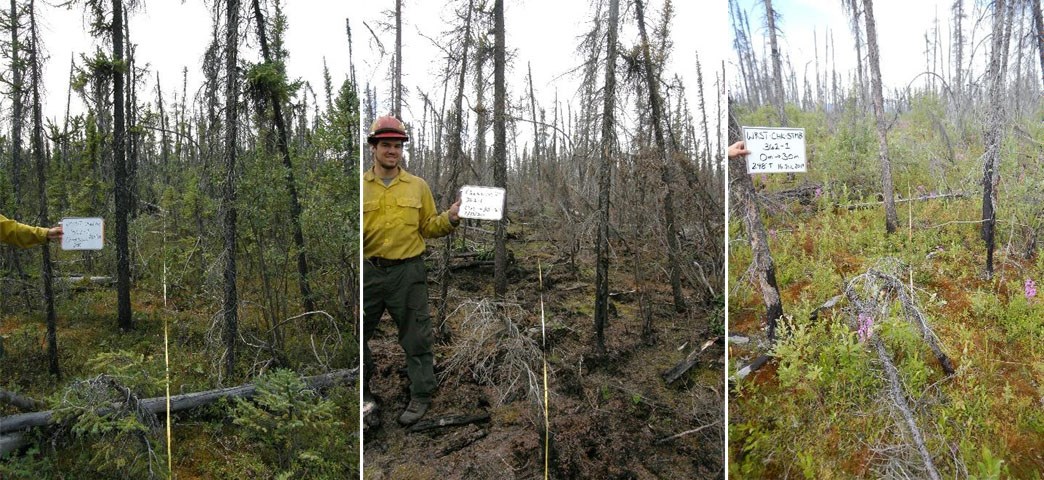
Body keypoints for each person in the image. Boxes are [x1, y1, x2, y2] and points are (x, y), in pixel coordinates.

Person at [362, 114, 460, 426]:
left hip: (408, 273)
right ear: (374, 148)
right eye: (386, 145)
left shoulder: (417, 187)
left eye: (397, 145)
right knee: (358, 336)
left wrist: (452, 218)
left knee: (417, 336)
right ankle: (363, 398)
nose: (392, 150)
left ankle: (421, 395)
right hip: (368, 272)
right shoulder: (360, 187)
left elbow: (430, 227)